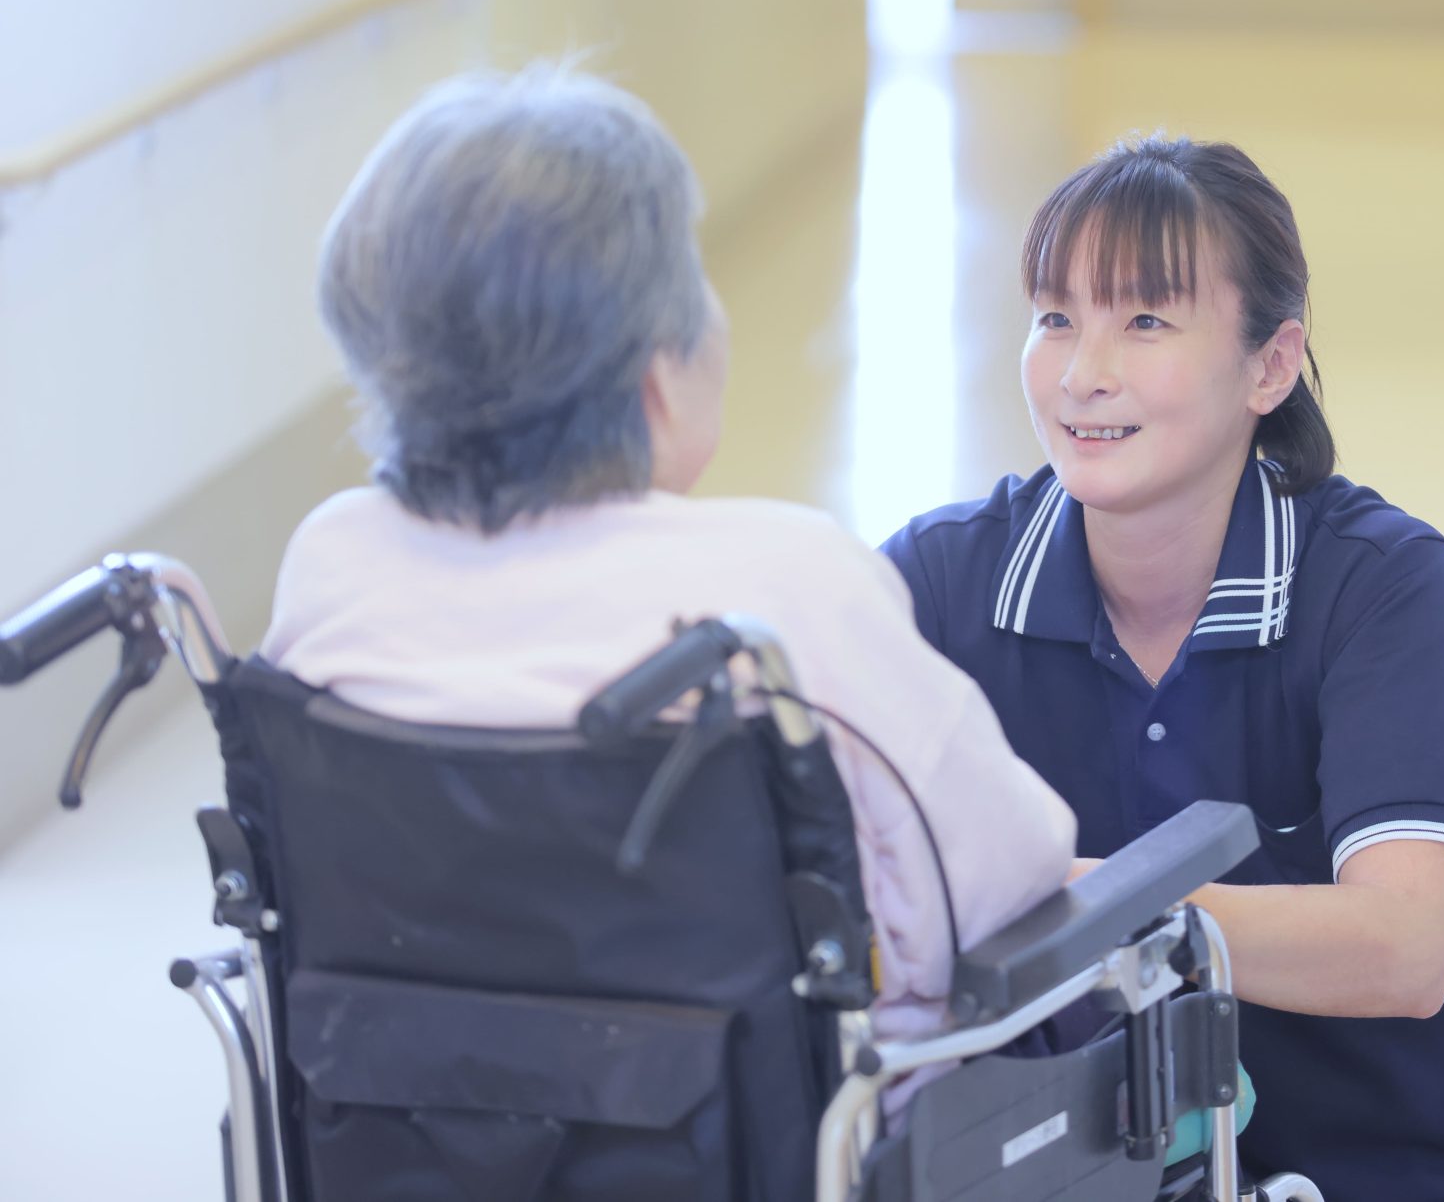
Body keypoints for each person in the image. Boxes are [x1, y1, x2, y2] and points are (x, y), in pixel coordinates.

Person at [260, 66, 1077, 1060]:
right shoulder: (781, 594)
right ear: (653, 376)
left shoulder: (336, 563)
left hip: (423, 1136)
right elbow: (1006, 877)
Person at [883, 136, 1444, 1198]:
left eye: (1144, 321)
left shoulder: (1379, 584)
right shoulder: (941, 580)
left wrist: (1065, 904)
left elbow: (1400, 948)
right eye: (1055, 316)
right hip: (1087, 1164)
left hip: (1395, 1156)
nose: (1080, 372)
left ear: (1270, 364)